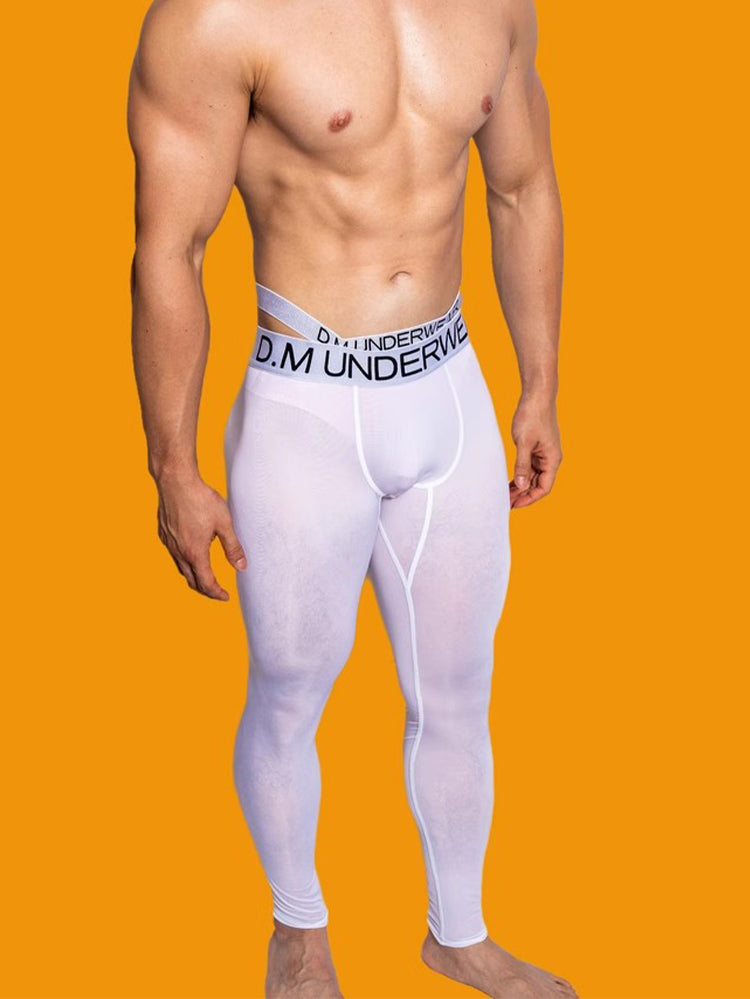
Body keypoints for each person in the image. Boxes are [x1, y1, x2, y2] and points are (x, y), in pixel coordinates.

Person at [127, 0, 572, 995]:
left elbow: (521, 185)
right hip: (306, 412)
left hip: (447, 392)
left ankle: (459, 932)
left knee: (458, 689)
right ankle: (299, 927)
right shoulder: (215, 20)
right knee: (291, 689)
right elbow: (170, 248)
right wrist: (173, 467)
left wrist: (539, 383)